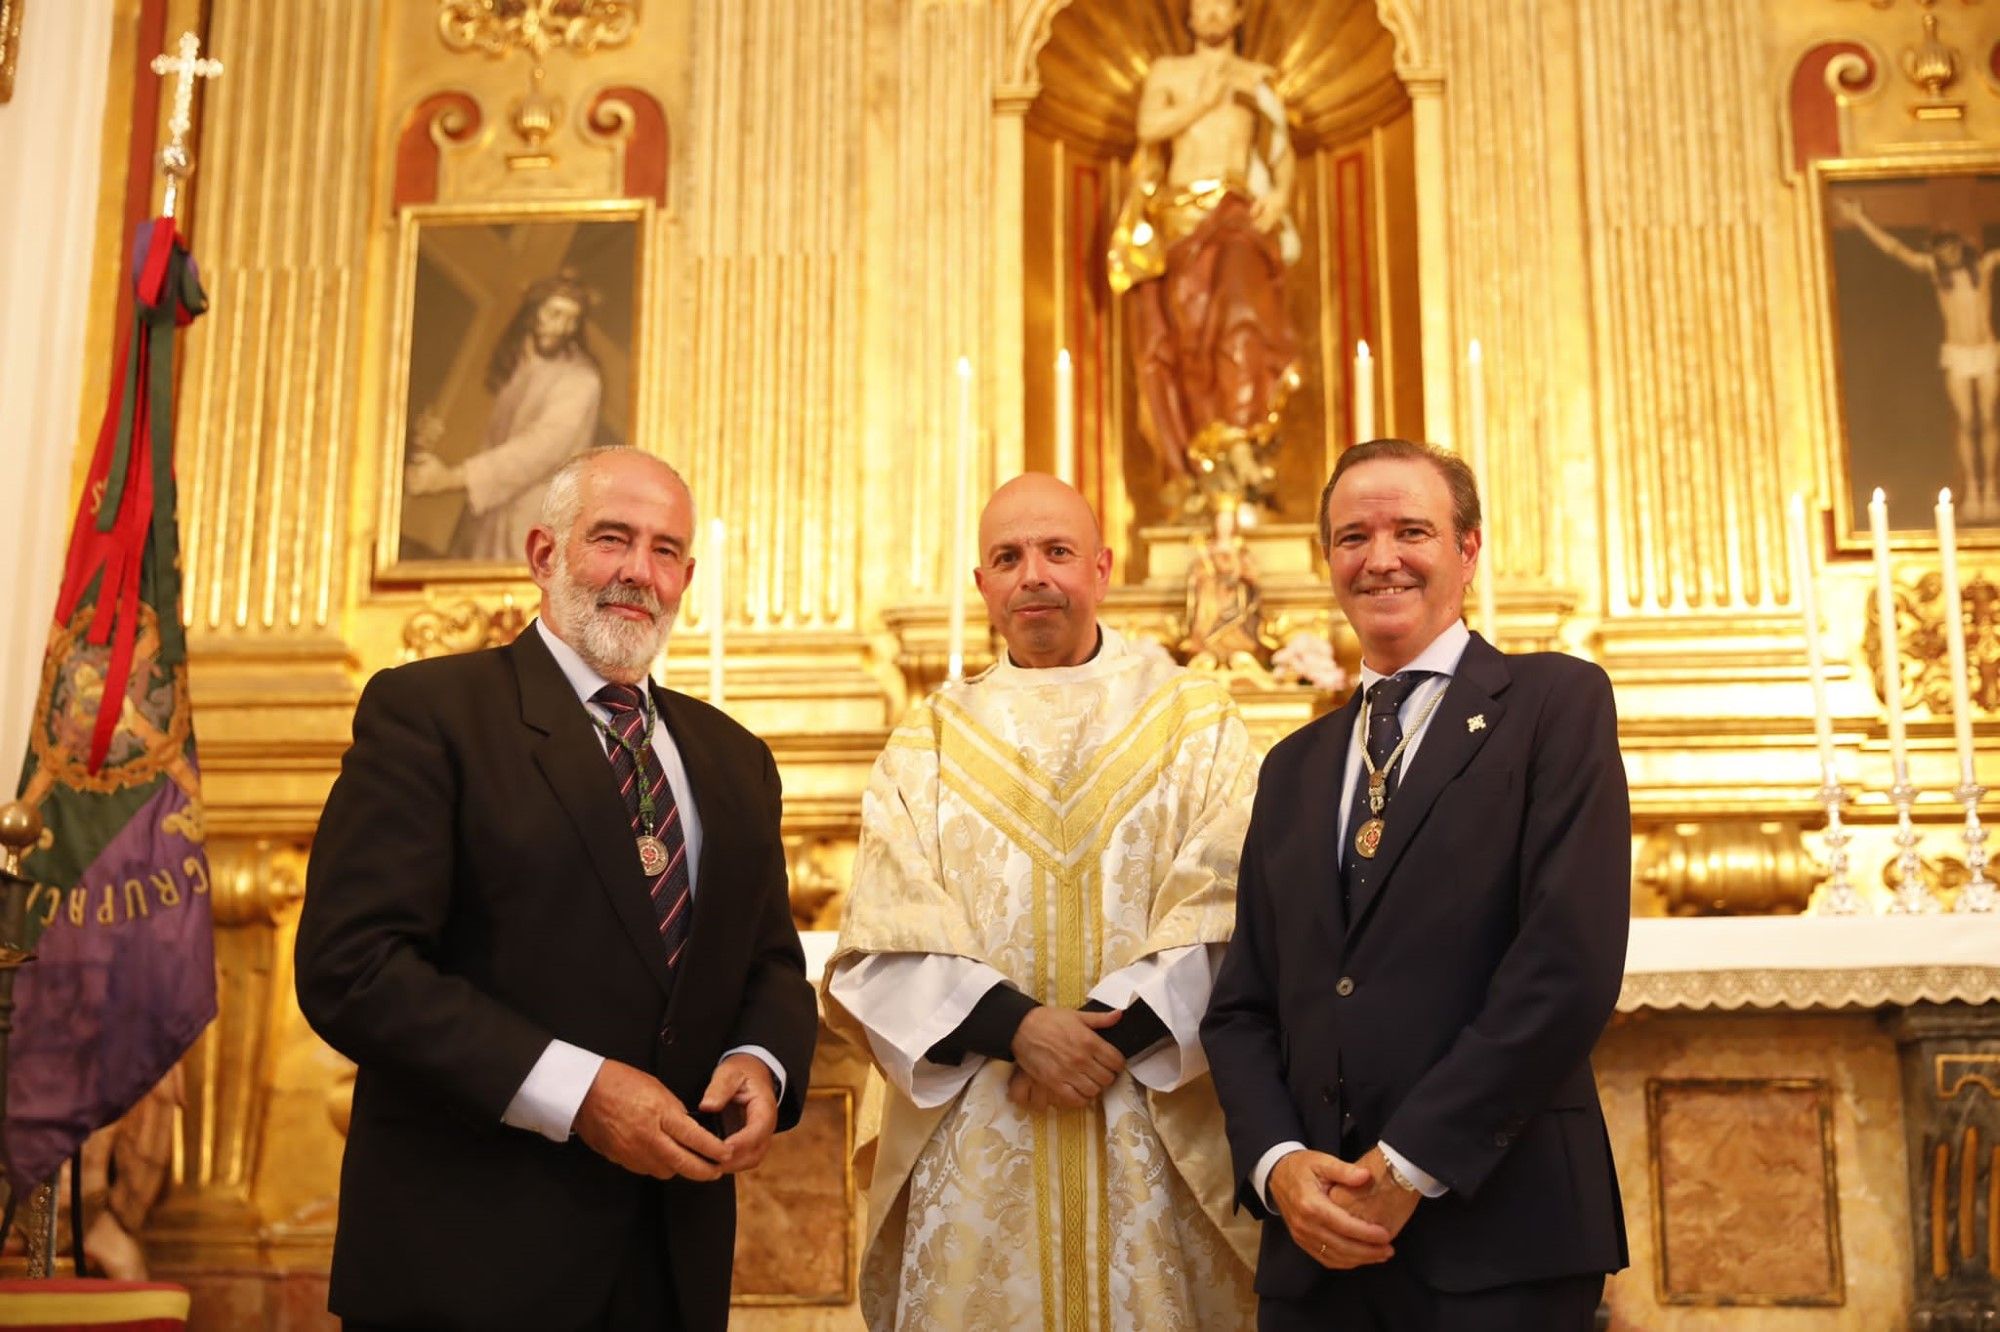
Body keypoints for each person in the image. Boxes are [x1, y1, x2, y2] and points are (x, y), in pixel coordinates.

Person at [296, 446, 817, 1331]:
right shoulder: (430, 713)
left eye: (663, 551)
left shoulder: (736, 759)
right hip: (468, 1266)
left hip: (669, 1266)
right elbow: (355, 967)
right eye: (611, 539)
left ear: (687, 576)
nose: (637, 573)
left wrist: (759, 1063)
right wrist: (579, 1093)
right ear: (543, 554)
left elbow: (769, 963)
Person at [1201, 438, 1630, 1330]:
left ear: (1467, 552)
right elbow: (1244, 1006)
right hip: (1315, 1252)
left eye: (1412, 531)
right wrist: (1279, 1164)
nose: (1381, 557)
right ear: (1329, 563)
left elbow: (1567, 965)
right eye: (1354, 536)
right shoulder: (1292, 766)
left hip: (1499, 1235)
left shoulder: (1556, 705)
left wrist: (1408, 1165)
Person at [824, 473, 1261, 1329]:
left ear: (1100, 568)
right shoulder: (929, 741)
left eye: (1057, 552)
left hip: (1150, 1122)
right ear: (981, 584)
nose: (1034, 575)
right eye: (1008, 557)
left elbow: (1235, 908)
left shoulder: (1197, 721)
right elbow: (884, 933)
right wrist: (1019, 1030)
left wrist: (1106, 1039)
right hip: (984, 1121)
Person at [1111, 0, 1300, 513]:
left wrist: (1281, 196)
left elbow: (1281, 149)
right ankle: (1202, 462)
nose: (1213, 16)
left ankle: (1241, 439)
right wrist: (1207, 98)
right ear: (1190, 17)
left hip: (1237, 213)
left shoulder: (1256, 76)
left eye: (1223, 6)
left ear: (1239, 15)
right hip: (1181, 216)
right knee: (1190, 341)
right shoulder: (1168, 73)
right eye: (1203, 6)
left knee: (1244, 320)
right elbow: (1150, 129)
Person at [406, 274, 605, 559]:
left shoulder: (580, 380)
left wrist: (449, 478)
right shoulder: (515, 360)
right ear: (532, 313)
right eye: (554, 314)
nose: (561, 327)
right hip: (486, 519)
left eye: (571, 319)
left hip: (534, 523)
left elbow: (537, 451)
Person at [1840, 199, 2000, 517]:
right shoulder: (1936, 272)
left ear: (1960, 248)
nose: (1946, 256)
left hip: (1985, 351)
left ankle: (1991, 492)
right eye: (1941, 252)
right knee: (1967, 423)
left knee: (1988, 419)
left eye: (1950, 249)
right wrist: (1860, 219)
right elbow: (1895, 249)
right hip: (1957, 353)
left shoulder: (1983, 267)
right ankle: (1972, 492)